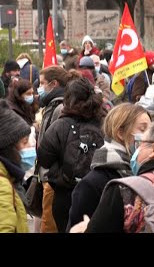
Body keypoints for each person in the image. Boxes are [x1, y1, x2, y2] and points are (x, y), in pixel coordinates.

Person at [37, 77, 107, 232]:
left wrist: (59, 174)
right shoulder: (105, 122)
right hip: (99, 192)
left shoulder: (60, 125)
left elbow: (44, 158)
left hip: (65, 194)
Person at [67, 103, 151, 231]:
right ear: (121, 133)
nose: (149, 137)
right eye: (143, 129)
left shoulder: (146, 173)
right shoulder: (93, 183)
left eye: (151, 130)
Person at [0, 99, 34, 232]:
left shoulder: (10, 177)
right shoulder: (3, 184)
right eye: (25, 142)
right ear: (9, 148)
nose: (30, 147)